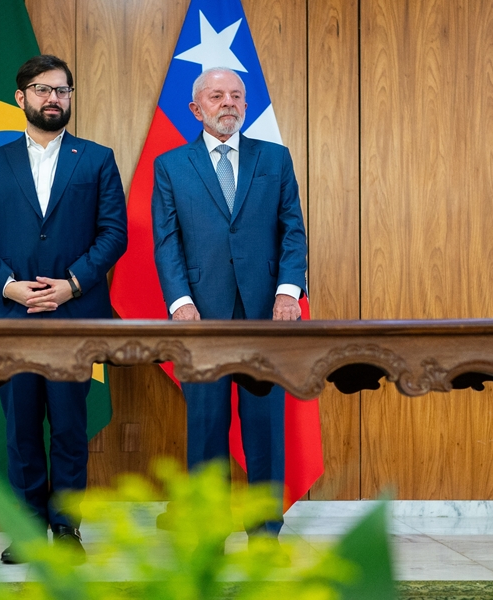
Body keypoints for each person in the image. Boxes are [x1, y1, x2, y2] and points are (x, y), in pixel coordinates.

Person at [0, 54, 128, 564]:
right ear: (21, 97)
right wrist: (11, 288)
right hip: (12, 318)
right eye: (42, 89)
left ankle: (66, 528)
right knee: (21, 426)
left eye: (62, 90)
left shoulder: (97, 159)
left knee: (70, 425)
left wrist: (71, 285)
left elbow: (114, 234)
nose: (53, 98)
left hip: (74, 316)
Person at [151, 67, 309, 539]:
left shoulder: (275, 160)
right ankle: (205, 528)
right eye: (217, 96)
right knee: (206, 424)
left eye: (237, 96)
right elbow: (167, 240)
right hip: (200, 317)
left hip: (265, 316)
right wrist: (179, 301)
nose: (229, 103)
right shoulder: (172, 165)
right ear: (196, 109)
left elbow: (292, 232)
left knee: (264, 427)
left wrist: (287, 294)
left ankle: (265, 531)